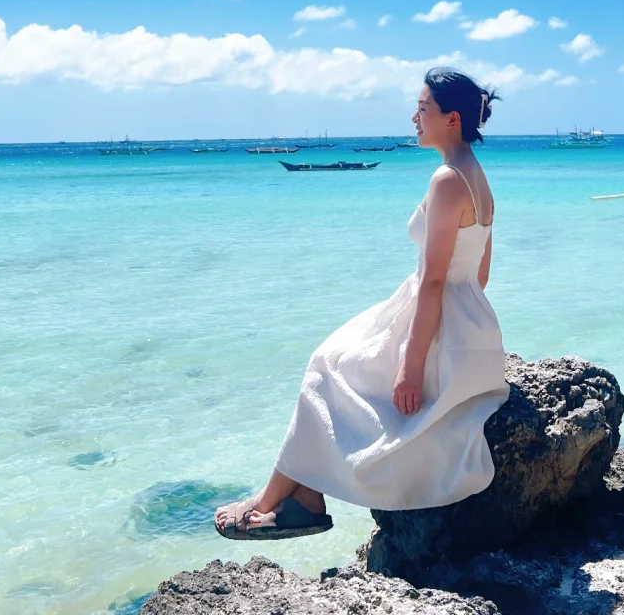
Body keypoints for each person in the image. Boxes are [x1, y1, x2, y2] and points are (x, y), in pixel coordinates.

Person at [215, 67, 509, 539]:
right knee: (333, 363)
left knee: (326, 366)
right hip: (467, 320)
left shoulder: (447, 180)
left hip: (437, 316)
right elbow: (480, 275)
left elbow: (435, 280)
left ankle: (281, 499)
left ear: (451, 119)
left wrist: (412, 365)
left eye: (423, 108)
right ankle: (303, 493)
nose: (414, 117)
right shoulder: (477, 177)